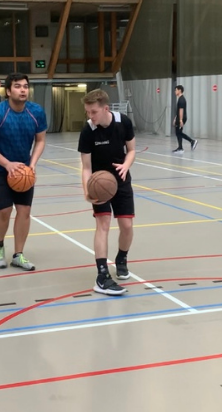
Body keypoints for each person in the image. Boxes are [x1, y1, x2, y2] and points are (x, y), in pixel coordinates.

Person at [0, 72, 47, 271]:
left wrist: (32, 164)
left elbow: (40, 140)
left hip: (23, 168)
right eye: (17, 86)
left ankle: (18, 255)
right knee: (4, 210)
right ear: (8, 91)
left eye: (25, 86)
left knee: (24, 210)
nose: (23, 90)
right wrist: (7, 164)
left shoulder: (36, 112)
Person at [78, 89, 136, 296]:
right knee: (103, 224)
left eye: (93, 112)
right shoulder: (88, 130)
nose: (90, 116)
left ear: (105, 108)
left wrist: (126, 166)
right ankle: (102, 275)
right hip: (99, 183)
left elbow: (131, 150)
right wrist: (87, 190)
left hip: (120, 180)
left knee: (126, 226)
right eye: (87, 112)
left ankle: (121, 258)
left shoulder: (123, 122)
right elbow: (86, 167)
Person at [172, 84, 198, 154]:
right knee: (178, 132)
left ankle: (192, 141)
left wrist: (180, 120)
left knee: (179, 133)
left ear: (180, 90)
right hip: (179, 117)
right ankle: (180, 147)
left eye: (176, 90)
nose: (175, 91)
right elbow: (178, 111)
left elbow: (181, 110)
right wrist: (175, 118)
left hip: (181, 118)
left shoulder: (182, 100)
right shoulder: (180, 99)